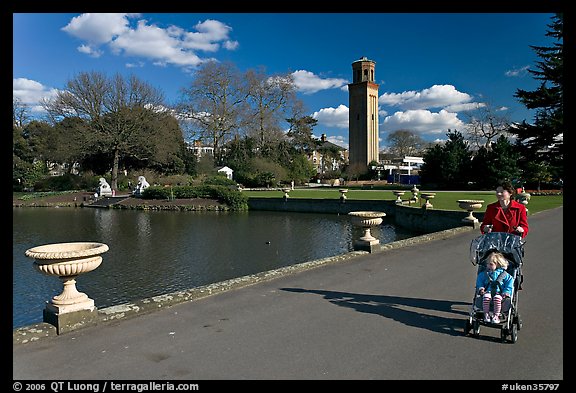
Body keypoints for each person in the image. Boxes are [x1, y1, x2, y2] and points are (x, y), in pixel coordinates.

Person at [476, 251, 514, 323]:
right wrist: (481, 288)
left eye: (491, 264)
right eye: (487, 264)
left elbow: (510, 283)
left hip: (500, 293)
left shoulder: (504, 274)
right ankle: (486, 314)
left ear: (498, 265)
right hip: (488, 291)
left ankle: (496, 315)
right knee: (486, 297)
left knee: (497, 298)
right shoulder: (485, 274)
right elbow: (480, 281)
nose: (488, 266)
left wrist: (506, 292)